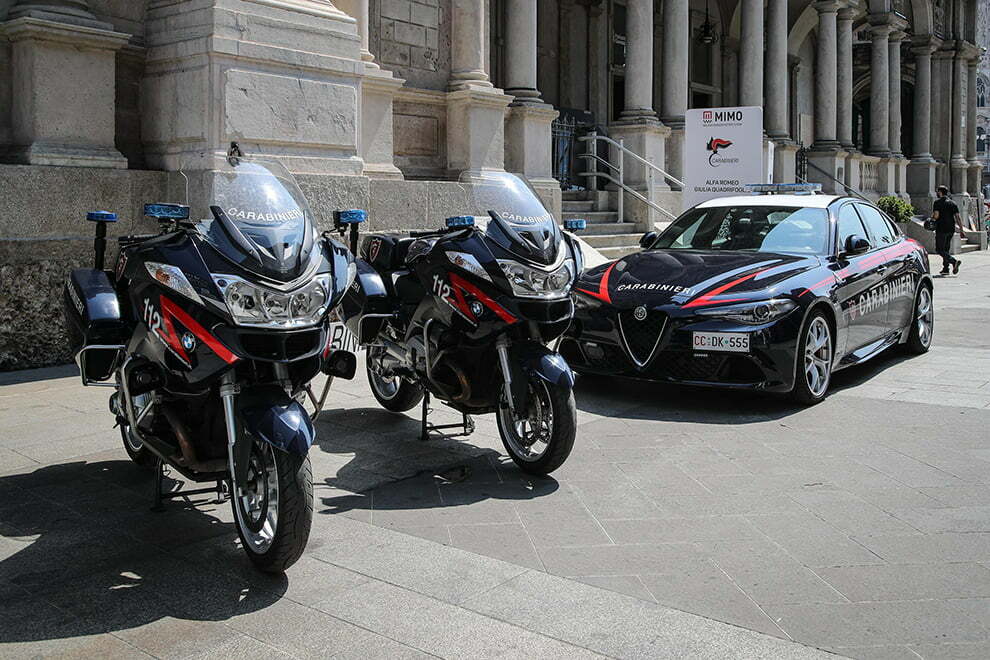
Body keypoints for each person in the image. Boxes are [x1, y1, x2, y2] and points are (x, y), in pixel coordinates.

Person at [931, 185, 966, 275]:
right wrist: (961, 229)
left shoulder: (937, 203)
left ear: (940, 192)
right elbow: (958, 217)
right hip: (951, 229)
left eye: (937, 191)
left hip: (941, 228)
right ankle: (946, 269)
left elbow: (936, 215)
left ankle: (954, 262)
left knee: (939, 249)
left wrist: (931, 219)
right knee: (946, 249)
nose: (937, 193)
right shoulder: (952, 203)